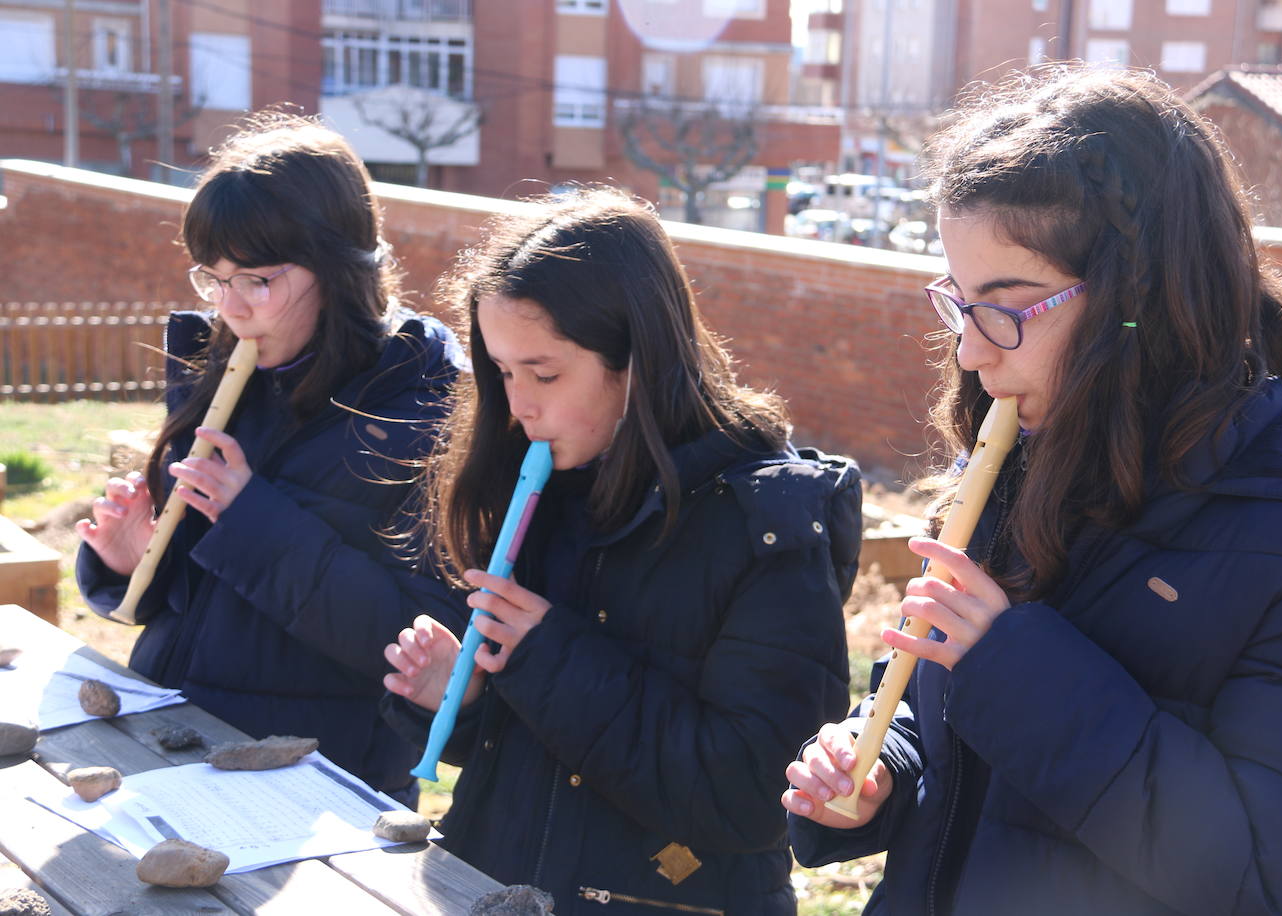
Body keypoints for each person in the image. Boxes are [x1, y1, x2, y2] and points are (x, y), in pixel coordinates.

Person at [784, 66, 1282, 915]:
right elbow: (931, 716)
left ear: (1142, 299)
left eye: (1006, 306)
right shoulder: (1020, 456)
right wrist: (879, 767)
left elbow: (1275, 878)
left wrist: (1008, 665)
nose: (969, 355)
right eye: (960, 302)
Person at [380, 187, 862, 913]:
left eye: (543, 374)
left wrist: (543, 657)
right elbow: (544, 764)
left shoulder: (767, 523)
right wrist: (468, 697)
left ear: (638, 360)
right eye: (504, 373)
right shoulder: (545, 484)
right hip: (495, 888)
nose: (518, 405)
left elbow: (754, 795)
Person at [75, 114, 464, 805]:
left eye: (257, 279)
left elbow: (418, 641)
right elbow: (198, 611)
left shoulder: (424, 410)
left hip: (321, 780)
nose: (232, 308)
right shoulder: (225, 371)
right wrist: (137, 560)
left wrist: (249, 518)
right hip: (176, 739)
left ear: (340, 267)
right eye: (213, 279)